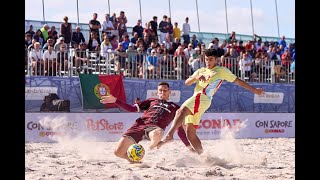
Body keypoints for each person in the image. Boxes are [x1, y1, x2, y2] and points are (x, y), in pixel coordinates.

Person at [157, 49, 265, 154]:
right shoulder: (201, 71)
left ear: (216, 60)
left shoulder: (221, 71)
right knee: (190, 134)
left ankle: (169, 135)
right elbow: (187, 82)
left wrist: (254, 90)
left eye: (211, 59)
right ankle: (204, 157)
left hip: (203, 97)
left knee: (180, 111)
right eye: (206, 59)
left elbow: (238, 81)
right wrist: (197, 77)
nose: (208, 62)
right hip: (197, 98)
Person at [100, 82, 193, 163]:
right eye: (160, 90)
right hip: (140, 125)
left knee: (158, 133)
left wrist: (189, 147)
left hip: (154, 128)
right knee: (118, 152)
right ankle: (135, 160)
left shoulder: (175, 108)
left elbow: (179, 130)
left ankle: (149, 150)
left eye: (165, 90)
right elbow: (132, 109)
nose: (162, 92)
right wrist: (115, 101)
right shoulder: (151, 101)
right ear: (157, 92)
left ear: (169, 92)